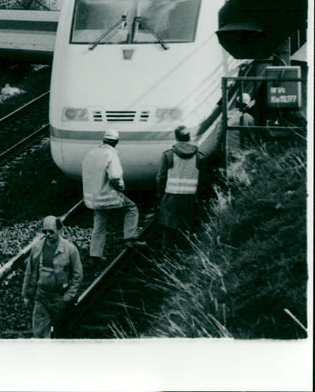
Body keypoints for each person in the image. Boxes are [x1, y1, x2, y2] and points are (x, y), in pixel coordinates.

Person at [81, 128, 145, 266]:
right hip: (108, 196)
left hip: (94, 198)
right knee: (131, 209)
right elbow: (115, 177)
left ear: (103, 140)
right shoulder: (110, 155)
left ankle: (95, 255)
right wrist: (121, 188)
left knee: (99, 225)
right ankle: (130, 239)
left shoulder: (90, 154)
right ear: (116, 142)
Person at [22, 215, 83, 338]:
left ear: (59, 230)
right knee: (39, 333)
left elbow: (78, 275)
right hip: (41, 296)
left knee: (62, 334)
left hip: (60, 298)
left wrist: (68, 296)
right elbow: (29, 272)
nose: (48, 234)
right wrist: (27, 294)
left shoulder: (70, 249)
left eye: (51, 231)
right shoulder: (37, 248)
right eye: (45, 231)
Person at [156, 126, 205, 249]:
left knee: (168, 229)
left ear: (176, 137)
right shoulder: (199, 156)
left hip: (171, 198)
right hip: (190, 199)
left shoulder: (168, 155)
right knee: (187, 228)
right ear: (189, 137)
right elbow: (203, 179)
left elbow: (160, 178)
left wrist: (160, 194)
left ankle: (167, 254)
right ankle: (185, 255)